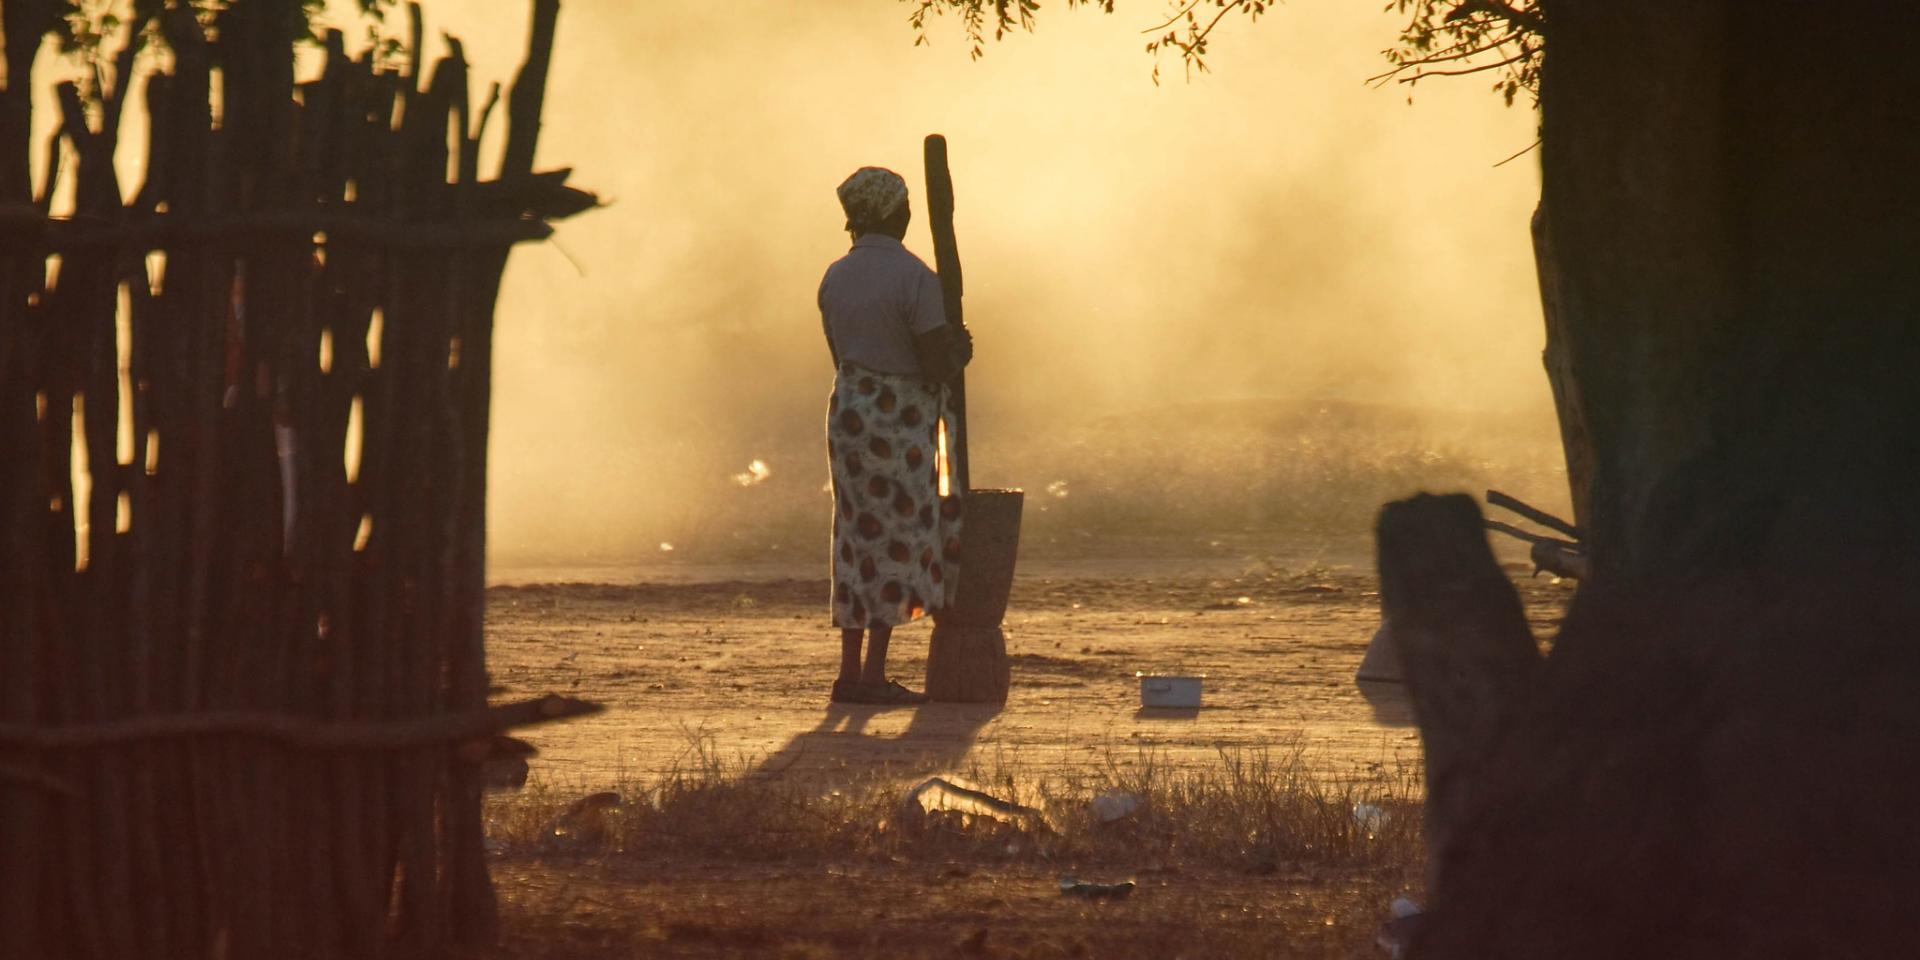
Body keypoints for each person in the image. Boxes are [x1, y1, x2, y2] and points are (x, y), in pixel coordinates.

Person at [818, 166, 973, 705]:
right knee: (894, 537)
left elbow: (840, 354)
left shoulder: (835, 276)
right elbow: (934, 363)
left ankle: (848, 672)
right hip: (899, 419)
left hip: (851, 412)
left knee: (856, 535)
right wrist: (962, 349)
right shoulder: (915, 277)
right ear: (896, 214)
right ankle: (873, 677)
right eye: (905, 208)